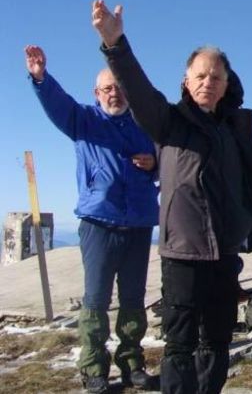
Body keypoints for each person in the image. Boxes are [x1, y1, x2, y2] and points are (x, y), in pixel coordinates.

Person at [91, 0, 252, 394]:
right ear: (186, 81)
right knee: (180, 345)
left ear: (226, 84)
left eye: (215, 77)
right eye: (200, 76)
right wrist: (114, 43)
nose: (208, 82)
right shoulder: (167, 121)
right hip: (182, 253)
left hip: (223, 253)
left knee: (218, 341)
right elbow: (136, 87)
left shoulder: (233, 130)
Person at [25, 45, 158, 394]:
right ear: (97, 94)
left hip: (140, 225)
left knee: (133, 299)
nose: (114, 93)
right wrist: (40, 77)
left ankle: (132, 363)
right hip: (98, 223)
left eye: (118, 87)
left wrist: (156, 164)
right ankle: (94, 368)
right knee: (96, 301)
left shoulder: (146, 125)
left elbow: (169, 159)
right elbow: (58, 104)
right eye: (106, 88)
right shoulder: (83, 120)